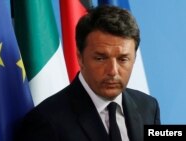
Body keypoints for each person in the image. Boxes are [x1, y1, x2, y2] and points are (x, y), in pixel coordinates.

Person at [19, 5, 160, 141]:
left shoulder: (148, 107)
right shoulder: (45, 121)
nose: (113, 71)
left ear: (134, 58)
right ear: (80, 58)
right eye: (100, 58)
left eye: (123, 59)